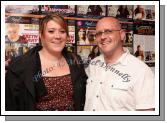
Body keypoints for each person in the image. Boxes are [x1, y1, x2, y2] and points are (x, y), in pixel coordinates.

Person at [5, 13, 87, 111]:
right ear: (41, 35)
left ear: (67, 36)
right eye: (51, 31)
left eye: (62, 31)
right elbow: (11, 105)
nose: (57, 36)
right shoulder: (21, 65)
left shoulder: (75, 60)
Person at [84, 17, 155, 111]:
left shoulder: (142, 71)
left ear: (122, 35)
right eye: (98, 33)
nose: (102, 37)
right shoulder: (94, 64)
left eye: (108, 31)